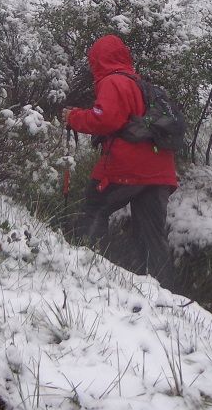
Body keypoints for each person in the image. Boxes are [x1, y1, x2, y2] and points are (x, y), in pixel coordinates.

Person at [63, 34, 179, 279]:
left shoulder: (113, 81)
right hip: (160, 171)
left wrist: (74, 117)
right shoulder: (142, 85)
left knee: (94, 207)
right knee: (152, 236)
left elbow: (105, 119)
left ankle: (86, 268)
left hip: (126, 166)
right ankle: (165, 295)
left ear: (98, 59)